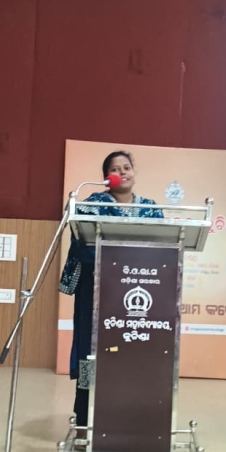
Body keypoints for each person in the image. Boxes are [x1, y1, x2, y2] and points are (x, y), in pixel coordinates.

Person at [59, 151, 163, 427]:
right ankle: (85, 418)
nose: (123, 172)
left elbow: (162, 248)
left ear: (133, 172)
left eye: (126, 167)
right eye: (116, 169)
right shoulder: (91, 205)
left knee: (133, 351)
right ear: (107, 177)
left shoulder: (151, 209)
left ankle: (131, 417)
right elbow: (81, 244)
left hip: (139, 291)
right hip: (95, 292)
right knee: (91, 352)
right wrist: (116, 262)